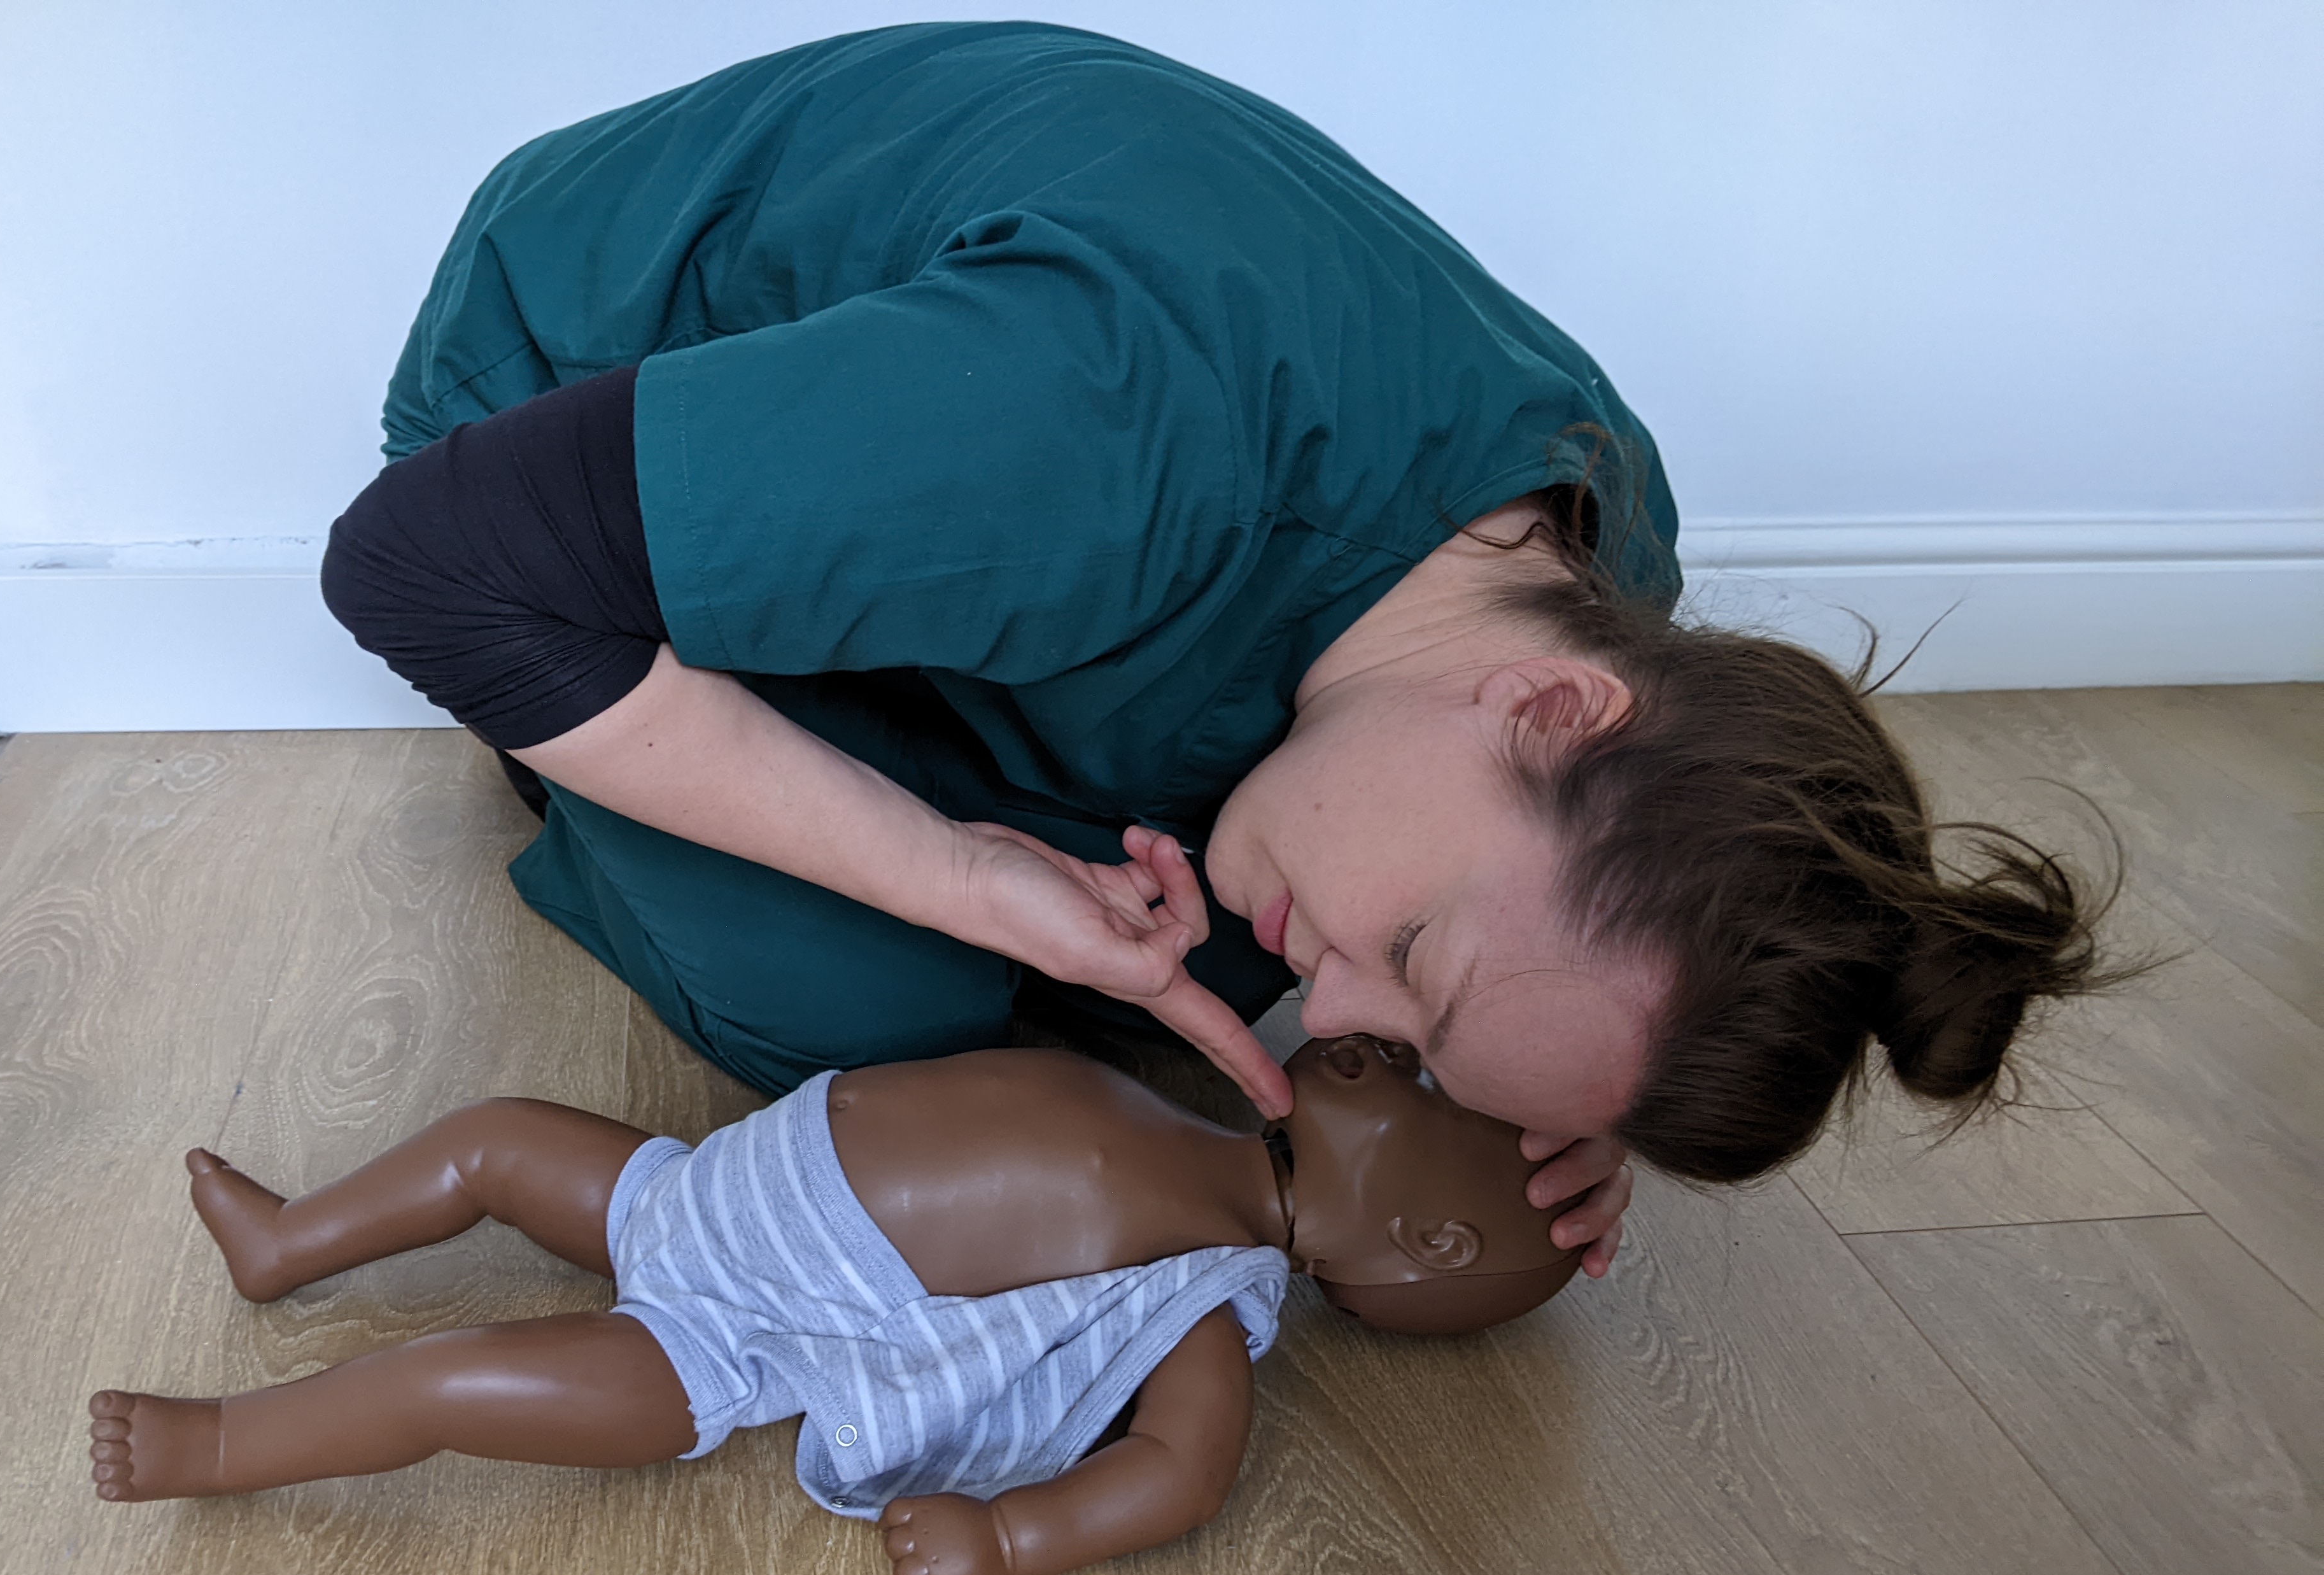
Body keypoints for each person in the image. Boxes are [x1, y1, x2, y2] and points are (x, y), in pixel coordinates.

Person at [320, 23, 2113, 1275]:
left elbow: (1500, 949)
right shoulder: (1094, 442)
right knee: (874, 1017)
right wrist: (943, 869)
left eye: (1401, 1022)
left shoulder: (1595, 555)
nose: (1348, 1015)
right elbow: (415, 566)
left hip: (1034, 502)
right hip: (554, 436)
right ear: (1553, 712)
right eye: (1412, 959)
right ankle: (602, 723)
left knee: (1145, 960)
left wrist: (1531, 1085)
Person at [85, 1036, 1581, 1575]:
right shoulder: (1210, 1108)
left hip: (732, 1338)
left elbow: (1182, 1476)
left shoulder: (1199, 1305)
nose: (1418, 1067)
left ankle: (219, 1444)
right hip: (692, 1197)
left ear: (1430, 1241)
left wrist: (1007, 1539)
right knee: (487, 1137)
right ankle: (287, 1245)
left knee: (459, 1378)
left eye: (1438, 1106)